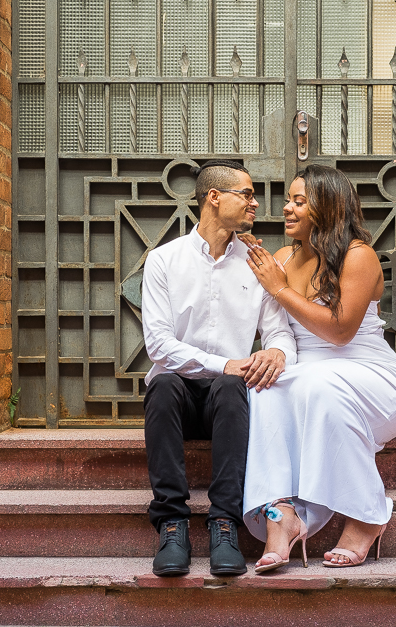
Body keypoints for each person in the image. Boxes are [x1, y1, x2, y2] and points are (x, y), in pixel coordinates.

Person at [240, 164, 396, 571]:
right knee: (264, 386)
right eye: (288, 200)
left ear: (328, 207)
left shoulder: (358, 256)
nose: (286, 208)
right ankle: (281, 515)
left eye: (299, 201)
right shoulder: (281, 257)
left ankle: (367, 516)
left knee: (319, 384)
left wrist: (279, 288)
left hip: (371, 377)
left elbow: (339, 333)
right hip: (307, 378)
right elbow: (275, 330)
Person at [141, 159, 296, 577]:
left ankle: (224, 523)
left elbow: (279, 332)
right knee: (163, 385)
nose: (255, 203)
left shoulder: (257, 262)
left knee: (230, 386)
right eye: (246, 194)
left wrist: (277, 354)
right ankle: (172, 525)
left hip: (229, 404)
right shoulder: (164, 260)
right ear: (214, 197)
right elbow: (158, 344)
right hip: (177, 402)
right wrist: (224, 361)